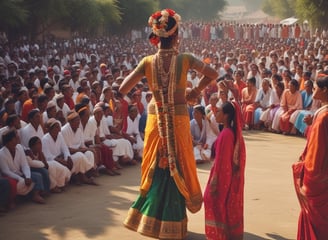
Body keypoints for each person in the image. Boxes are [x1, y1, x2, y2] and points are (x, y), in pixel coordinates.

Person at [119, 9, 218, 239]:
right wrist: (195, 90)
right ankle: (172, 222)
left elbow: (123, 88)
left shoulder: (147, 62)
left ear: (158, 36)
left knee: (157, 163)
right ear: (175, 36)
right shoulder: (185, 59)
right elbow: (212, 73)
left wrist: (154, 92)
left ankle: (149, 219)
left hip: (155, 118)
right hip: (180, 117)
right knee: (179, 163)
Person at [204, 101, 246, 240]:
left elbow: (223, 161)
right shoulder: (226, 132)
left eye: (219, 111)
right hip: (221, 174)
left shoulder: (227, 134)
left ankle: (219, 235)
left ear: (226, 115)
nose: (216, 113)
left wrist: (215, 181)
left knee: (213, 201)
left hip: (221, 176)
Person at [293, 75, 328, 239]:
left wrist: (306, 171)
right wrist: (311, 124)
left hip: (318, 176)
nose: (314, 90)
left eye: (316, 88)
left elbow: (317, 150)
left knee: (314, 216)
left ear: (324, 90)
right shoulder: (322, 113)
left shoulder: (323, 117)